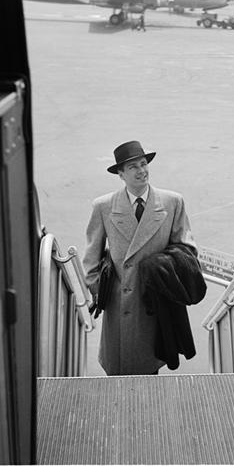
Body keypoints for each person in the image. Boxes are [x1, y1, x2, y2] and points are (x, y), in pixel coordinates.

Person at [82, 140, 196, 375]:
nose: (141, 171)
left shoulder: (172, 202)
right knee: (117, 369)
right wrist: (102, 292)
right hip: (119, 303)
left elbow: (187, 250)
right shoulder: (103, 206)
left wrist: (161, 269)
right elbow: (91, 259)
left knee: (148, 368)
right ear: (121, 174)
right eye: (133, 167)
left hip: (155, 302)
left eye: (144, 164)